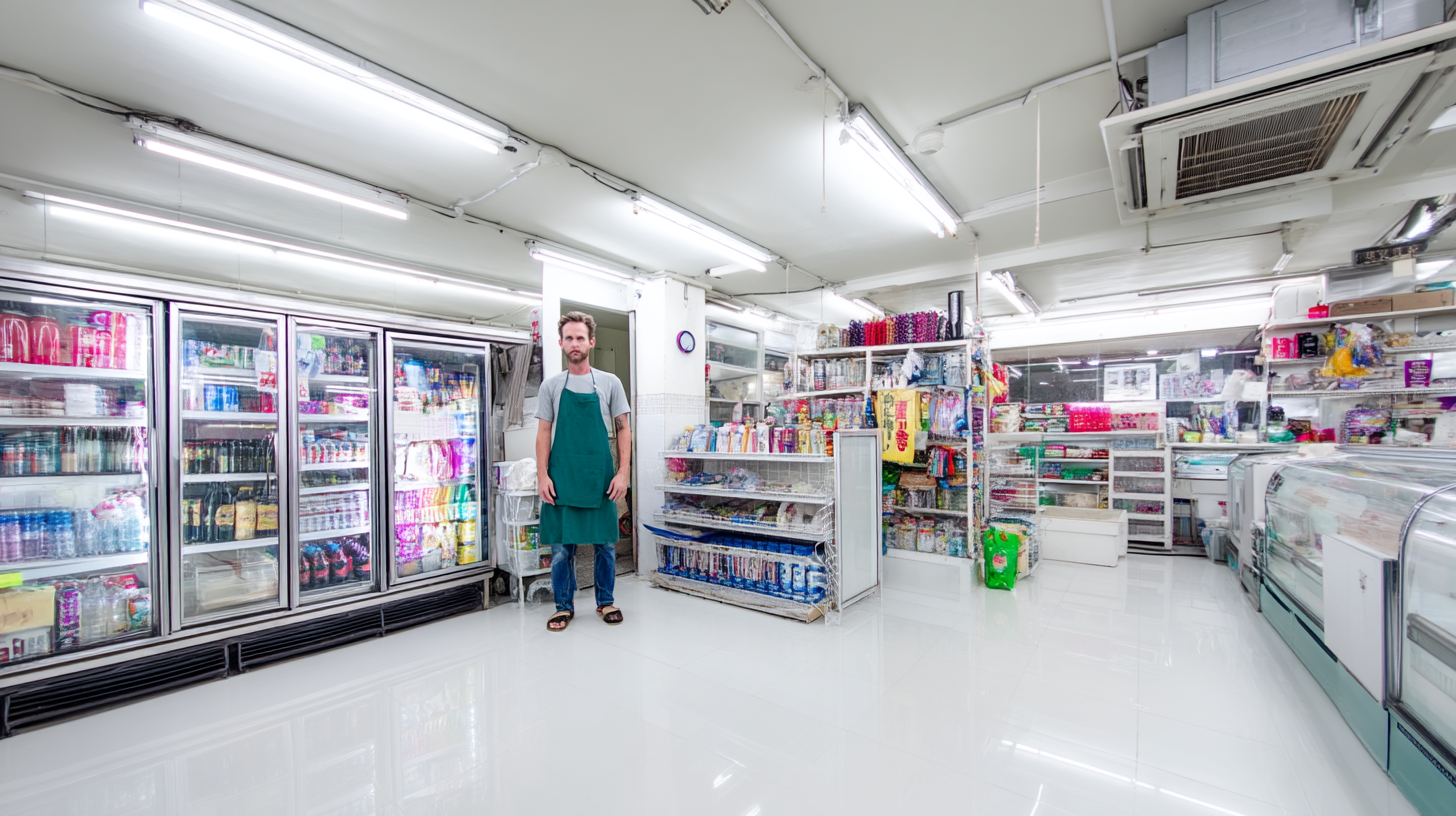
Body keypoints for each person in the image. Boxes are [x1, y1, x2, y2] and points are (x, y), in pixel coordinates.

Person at [536, 311, 631, 632]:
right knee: (562, 547)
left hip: (599, 476)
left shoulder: (610, 382)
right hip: (562, 476)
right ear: (561, 343)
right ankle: (563, 606)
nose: (574, 343)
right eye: (569, 338)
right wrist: (542, 475)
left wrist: (623, 473)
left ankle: (606, 601)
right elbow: (543, 433)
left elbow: (624, 430)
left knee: (605, 543)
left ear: (591, 342)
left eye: (580, 338)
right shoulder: (551, 386)